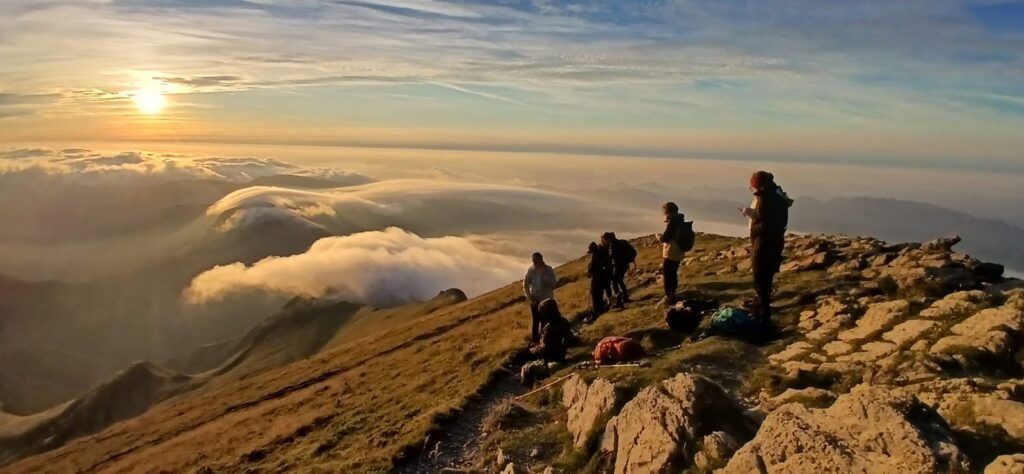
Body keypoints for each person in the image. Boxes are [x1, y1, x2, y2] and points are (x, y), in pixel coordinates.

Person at [741, 171, 790, 320]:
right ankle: (761, 302)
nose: (753, 190)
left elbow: (766, 224)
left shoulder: (766, 198)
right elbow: (767, 217)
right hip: (773, 241)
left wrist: (753, 228)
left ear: (760, 186)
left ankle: (762, 311)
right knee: (764, 275)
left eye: (753, 187)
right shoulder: (776, 194)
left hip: (765, 243)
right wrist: (753, 214)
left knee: (761, 274)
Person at [523, 252, 557, 342]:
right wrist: (529, 297)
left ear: (541, 260)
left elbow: (554, 283)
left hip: (545, 300)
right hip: (534, 300)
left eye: (536, 260)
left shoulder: (548, 269)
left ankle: (544, 340)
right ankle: (535, 340)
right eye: (533, 261)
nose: (534, 262)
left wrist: (546, 278)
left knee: (544, 320)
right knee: (535, 321)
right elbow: (525, 285)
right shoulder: (530, 270)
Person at [659, 202, 687, 305]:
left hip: (671, 252)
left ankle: (668, 296)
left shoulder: (673, 223)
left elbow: (665, 238)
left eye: (665, 213)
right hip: (679, 252)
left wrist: (659, 237)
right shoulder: (680, 220)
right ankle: (673, 293)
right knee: (673, 273)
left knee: (667, 273)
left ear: (668, 212)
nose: (664, 215)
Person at [602, 232, 636, 307]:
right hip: (624, 265)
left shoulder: (613, 245)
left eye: (605, 239)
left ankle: (619, 300)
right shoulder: (622, 242)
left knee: (614, 283)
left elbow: (612, 256)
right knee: (620, 281)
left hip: (618, 266)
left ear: (608, 239)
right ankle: (625, 298)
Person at [587, 241, 612, 320]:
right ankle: (601, 311)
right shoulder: (602, 253)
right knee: (599, 296)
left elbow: (591, 269)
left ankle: (596, 314)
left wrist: (589, 267)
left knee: (595, 297)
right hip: (603, 278)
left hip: (596, 279)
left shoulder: (595, 256)